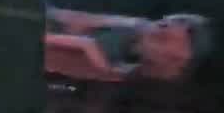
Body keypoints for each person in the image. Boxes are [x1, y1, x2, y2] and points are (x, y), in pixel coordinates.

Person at [45, 8, 213, 82]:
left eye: (162, 39)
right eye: (163, 24)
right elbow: (80, 19)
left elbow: (83, 47)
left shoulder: (122, 71)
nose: (159, 26)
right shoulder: (136, 25)